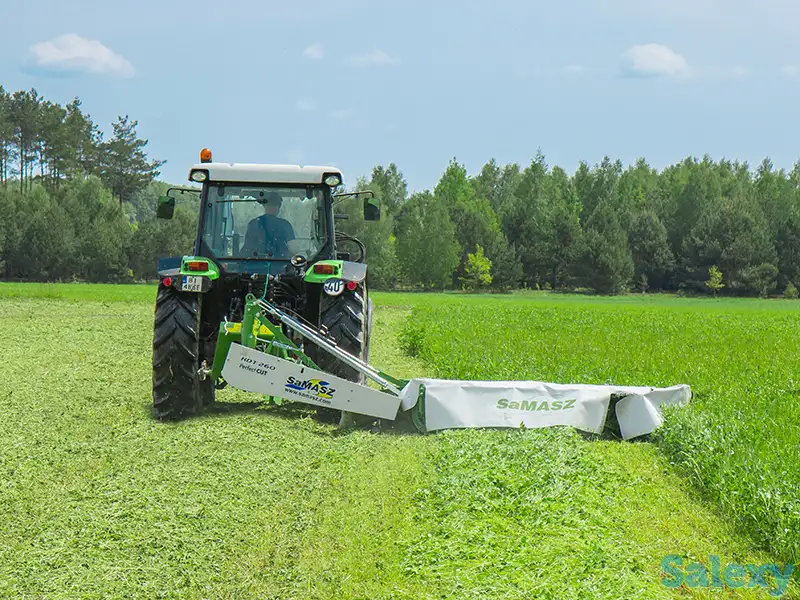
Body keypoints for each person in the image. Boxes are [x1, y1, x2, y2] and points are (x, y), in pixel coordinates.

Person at [241, 191, 296, 257]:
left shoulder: (253, 223)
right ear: (278, 208)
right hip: (279, 265)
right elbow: (293, 249)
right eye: (270, 204)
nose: (271, 207)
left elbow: (247, 248)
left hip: (257, 264)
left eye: (273, 205)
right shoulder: (285, 225)